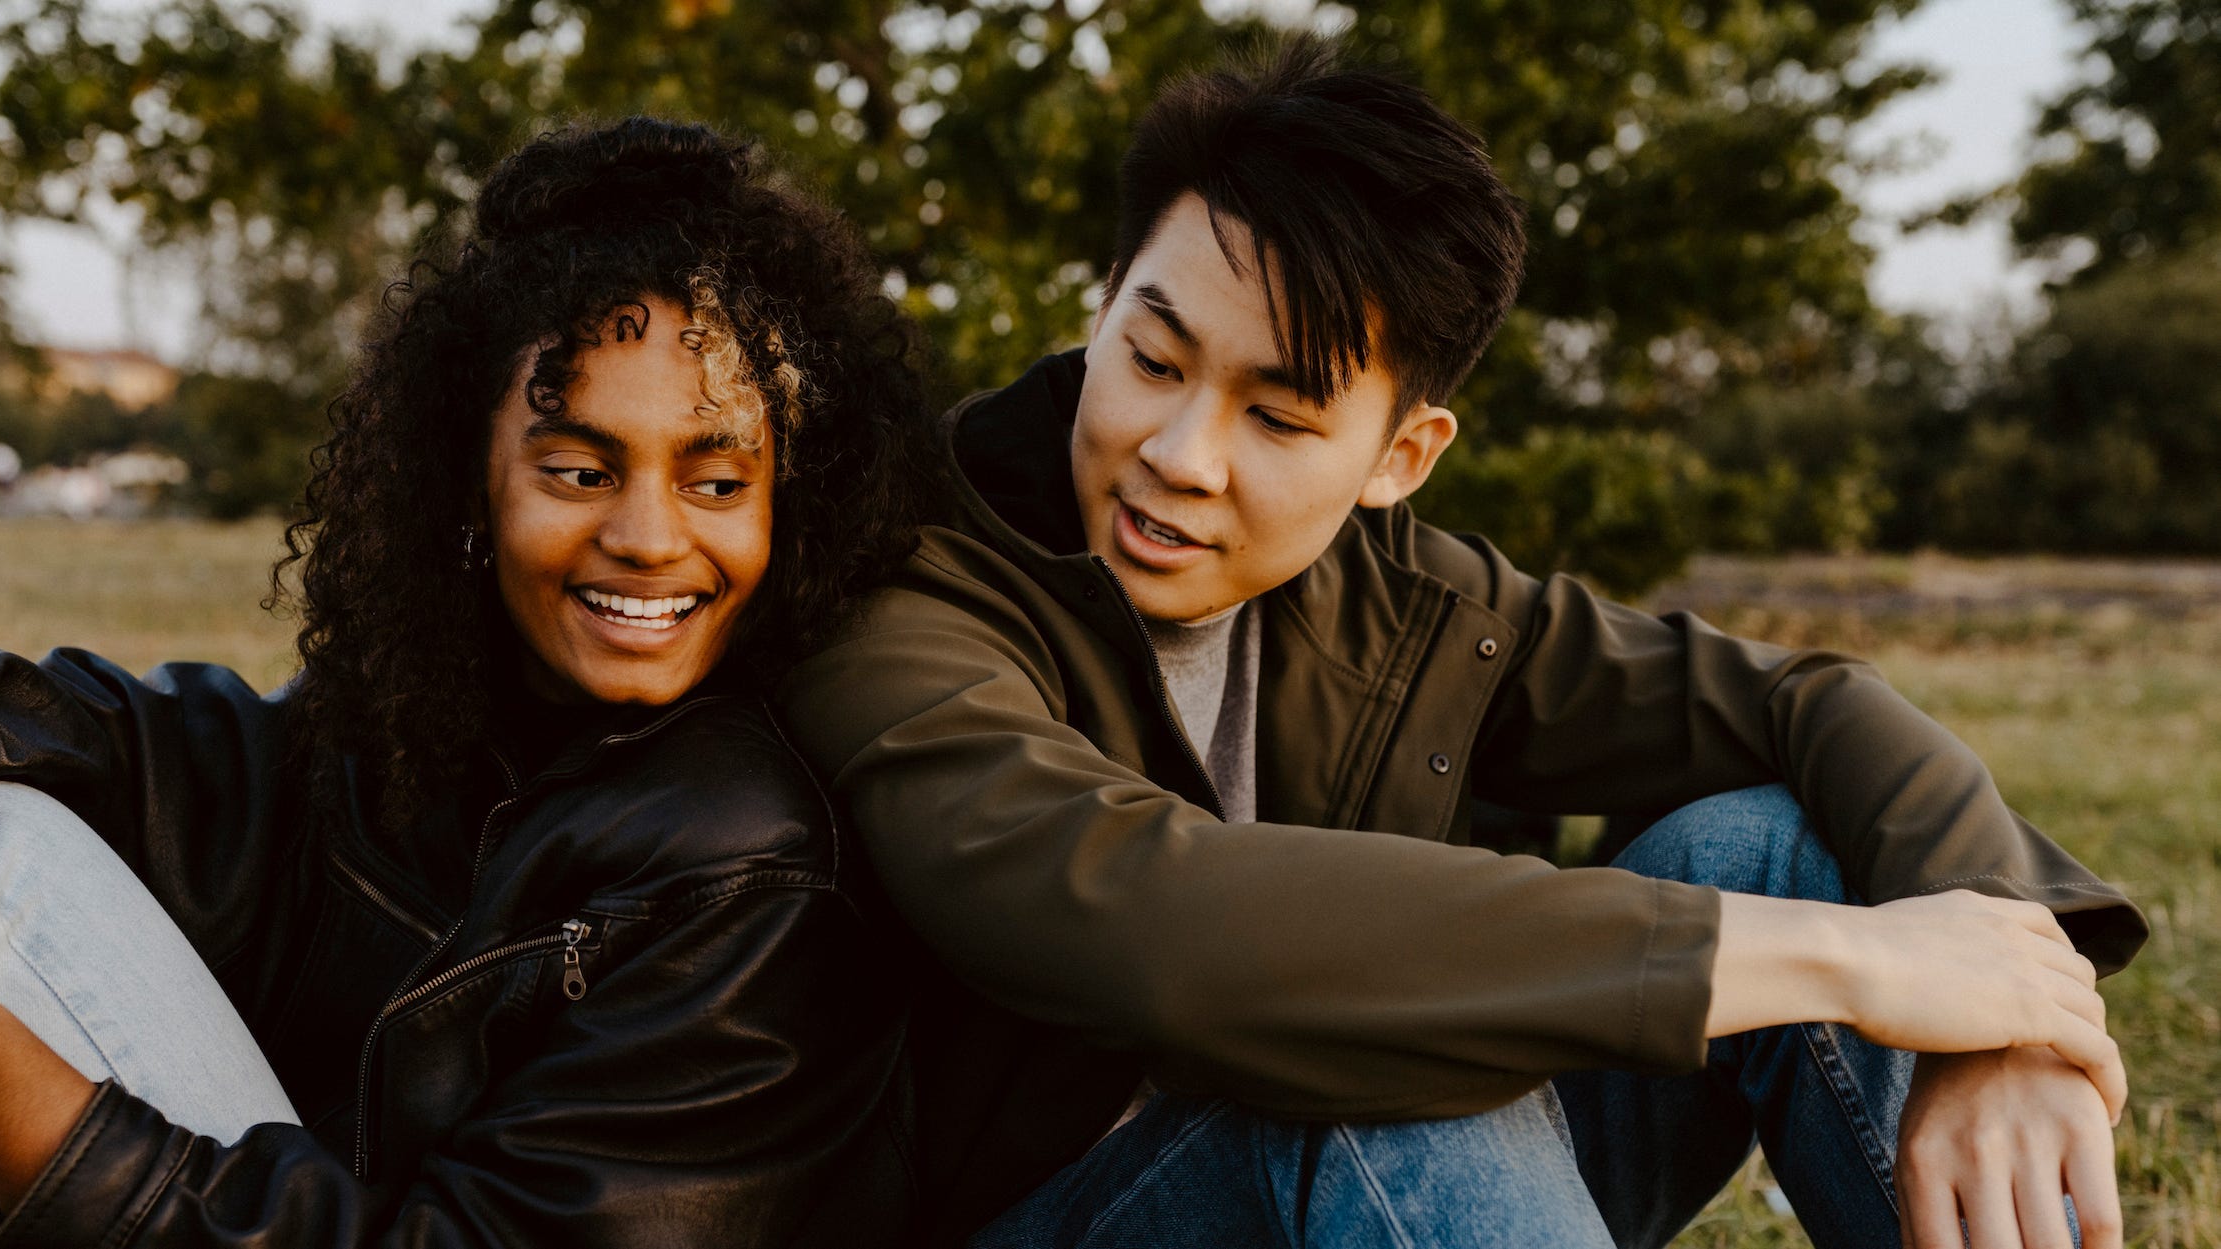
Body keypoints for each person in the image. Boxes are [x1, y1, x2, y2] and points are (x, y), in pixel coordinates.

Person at [771, 37, 2148, 1249]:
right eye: (1154, 357)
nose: (1180, 455)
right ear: (1106, 298)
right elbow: (1148, 922)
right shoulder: (908, 573)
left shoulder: (1418, 602)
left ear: (1401, 455)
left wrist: (2004, 1021)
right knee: (1376, 1066)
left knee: (1765, 838)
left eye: (1280, 416)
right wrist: (1855, 960)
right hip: (1062, 1216)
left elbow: (1813, 701)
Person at [0, 117, 926, 1248]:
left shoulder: (752, 871)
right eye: (576, 469)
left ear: (792, 505)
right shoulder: (410, 724)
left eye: (718, 483)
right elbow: (123, 738)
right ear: (471, 482)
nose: (652, 537)